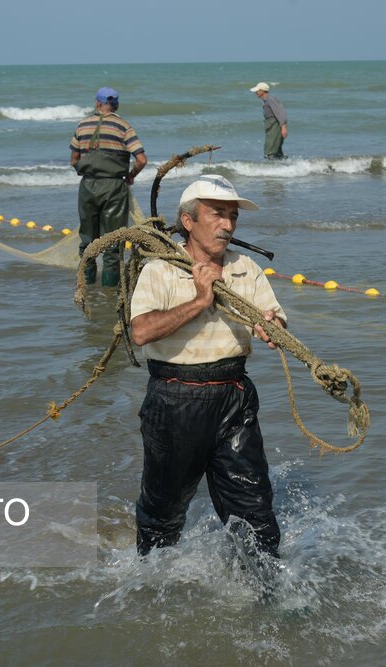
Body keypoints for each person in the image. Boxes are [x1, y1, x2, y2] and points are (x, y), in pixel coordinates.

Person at [128, 174, 286, 559]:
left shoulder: (245, 267)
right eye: (217, 214)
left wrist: (271, 327)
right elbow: (141, 331)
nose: (228, 226)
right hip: (174, 400)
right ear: (188, 221)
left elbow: (274, 320)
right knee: (162, 515)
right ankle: (148, 588)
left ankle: (266, 597)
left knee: (256, 514)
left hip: (234, 397)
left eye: (232, 216)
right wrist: (200, 300)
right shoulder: (161, 270)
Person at [70, 87, 148, 287]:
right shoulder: (123, 127)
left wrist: (86, 170)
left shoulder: (82, 125)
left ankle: (86, 287)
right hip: (114, 187)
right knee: (113, 242)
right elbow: (141, 159)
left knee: (87, 240)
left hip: (88, 186)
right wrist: (130, 175)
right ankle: (110, 292)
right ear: (116, 105)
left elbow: (74, 160)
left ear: (97, 103)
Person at [249, 82, 288, 159]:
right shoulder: (267, 100)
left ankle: (273, 169)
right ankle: (286, 167)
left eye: (257, 91)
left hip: (275, 127)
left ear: (262, 91)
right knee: (276, 151)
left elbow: (281, 113)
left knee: (270, 152)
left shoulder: (270, 99)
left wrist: (284, 128)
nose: (256, 93)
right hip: (271, 127)